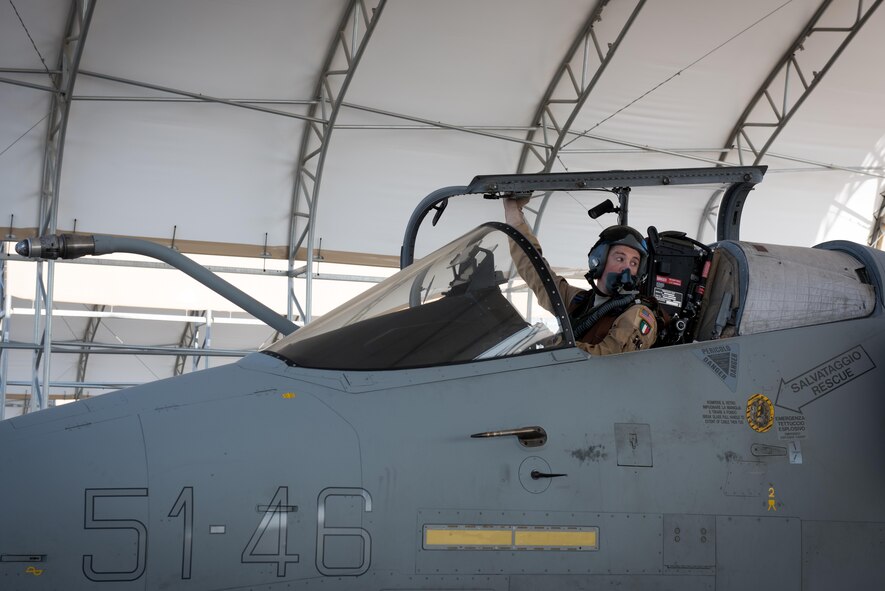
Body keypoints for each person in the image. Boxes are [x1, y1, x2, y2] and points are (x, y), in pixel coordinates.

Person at [503, 196, 659, 355]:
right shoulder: (580, 302)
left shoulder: (638, 315)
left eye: (634, 263)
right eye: (620, 258)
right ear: (599, 261)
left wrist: (553, 342)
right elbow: (535, 271)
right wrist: (512, 211)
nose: (627, 268)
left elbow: (607, 361)